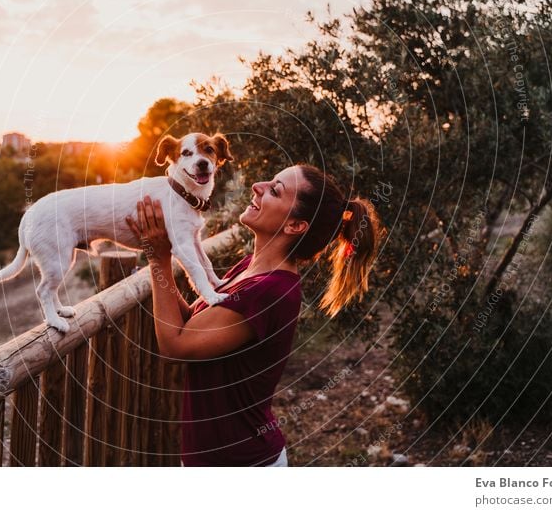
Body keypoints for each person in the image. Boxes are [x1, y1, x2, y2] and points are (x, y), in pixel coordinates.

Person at [125, 164, 384, 467]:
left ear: (295, 226)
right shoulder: (250, 270)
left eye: (275, 190)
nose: (257, 186)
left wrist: (158, 258)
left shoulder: (270, 291)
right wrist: (164, 253)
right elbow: (192, 324)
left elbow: (175, 344)